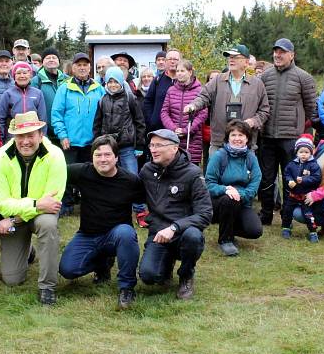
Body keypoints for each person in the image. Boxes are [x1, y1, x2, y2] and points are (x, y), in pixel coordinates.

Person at [0, 111, 67, 305]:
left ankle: (47, 286)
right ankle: (29, 250)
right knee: (12, 279)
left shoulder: (56, 155)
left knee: (48, 224)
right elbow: (1, 203)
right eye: (21, 136)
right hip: (19, 213)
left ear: (41, 135)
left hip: (37, 215)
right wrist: (34, 204)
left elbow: (52, 202)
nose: (26, 141)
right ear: (14, 136)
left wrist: (17, 217)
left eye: (31, 135)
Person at [59, 135, 145, 309]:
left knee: (126, 233)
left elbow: (148, 200)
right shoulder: (81, 172)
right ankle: (102, 264)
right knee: (67, 270)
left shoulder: (130, 181)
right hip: (88, 234)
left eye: (107, 155)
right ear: (92, 157)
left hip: (116, 236)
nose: (103, 159)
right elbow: (54, 171)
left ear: (116, 157)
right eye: (98, 155)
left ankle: (126, 288)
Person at [138, 129, 213, 300]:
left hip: (183, 233)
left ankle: (186, 275)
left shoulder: (193, 173)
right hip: (158, 234)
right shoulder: (147, 171)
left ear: (174, 148)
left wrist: (174, 227)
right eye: (151, 145)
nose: (153, 149)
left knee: (193, 236)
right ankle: (167, 263)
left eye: (159, 145)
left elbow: (205, 213)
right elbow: (131, 192)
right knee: (148, 277)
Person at [257, 38, 317, 225]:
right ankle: (266, 213)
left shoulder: (304, 77)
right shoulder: (265, 76)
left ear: (292, 55)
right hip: (267, 136)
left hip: (291, 138)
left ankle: (287, 215)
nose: (278, 55)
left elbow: (311, 108)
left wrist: (304, 132)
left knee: (289, 177)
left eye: (282, 52)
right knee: (267, 177)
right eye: (276, 51)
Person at [183, 44, 269, 157]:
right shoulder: (218, 80)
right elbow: (203, 97)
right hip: (219, 143)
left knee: (242, 175)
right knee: (215, 174)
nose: (231, 60)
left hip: (245, 143)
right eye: (229, 57)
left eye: (235, 57)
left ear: (246, 62)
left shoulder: (257, 84)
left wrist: (253, 121)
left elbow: (264, 111)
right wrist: (194, 105)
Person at [51, 53, 105, 216]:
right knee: (65, 174)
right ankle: (66, 204)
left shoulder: (98, 88)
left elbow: (105, 113)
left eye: (85, 65)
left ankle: (90, 204)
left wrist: (101, 138)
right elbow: (56, 114)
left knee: (92, 175)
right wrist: (62, 135)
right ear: (73, 68)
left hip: (92, 142)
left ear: (90, 68)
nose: (82, 67)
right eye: (78, 65)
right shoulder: (64, 89)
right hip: (70, 141)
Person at [92, 67, 148, 225]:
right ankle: (110, 208)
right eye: (110, 81)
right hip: (108, 147)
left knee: (133, 177)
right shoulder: (102, 100)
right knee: (107, 177)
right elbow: (97, 124)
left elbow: (139, 123)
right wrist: (97, 144)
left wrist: (140, 145)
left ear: (121, 82)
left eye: (115, 81)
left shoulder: (130, 98)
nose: (113, 85)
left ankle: (139, 210)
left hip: (127, 146)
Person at [205, 120, 262, 256]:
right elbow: (209, 183)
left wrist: (239, 193)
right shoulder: (219, 156)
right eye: (233, 135)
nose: (237, 139)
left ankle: (229, 227)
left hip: (242, 202)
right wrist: (226, 190)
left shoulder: (251, 158)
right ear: (228, 137)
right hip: (219, 202)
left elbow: (254, 184)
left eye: (241, 135)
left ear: (247, 138)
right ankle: (225, 240)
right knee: (229, 199)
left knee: (255, 231)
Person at [161, 59, 207, 166]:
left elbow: (203, 114)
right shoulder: (171, 90)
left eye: (182, 71)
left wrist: (187, 130)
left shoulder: (200, 90)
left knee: (190, 172)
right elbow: (164, 112)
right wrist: (173, 129)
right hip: (173, 138)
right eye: (177, 71)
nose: (179, 74)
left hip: (192, 140)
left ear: (190, 72)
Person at [280, 134, 322, 242]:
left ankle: (313, 232)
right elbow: (286, 173)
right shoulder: (291, 164)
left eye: (306, 152)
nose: (303, 155)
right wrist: (289, 180)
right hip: (293, 194)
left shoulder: (313, 165)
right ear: (297, 152)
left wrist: (304, 180)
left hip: (306, 196)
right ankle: (286, 227)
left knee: (308, 214)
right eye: (301, 152)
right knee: (287, 211)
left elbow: (317, 178)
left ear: (311, 152)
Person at [0, 61, 46, 143]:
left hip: (32, 135)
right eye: (18, 73)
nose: (22, 76)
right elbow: (1, 119)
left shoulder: (38, 93)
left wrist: (43, 136)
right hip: (13, 136)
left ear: (30, 75)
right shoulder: (8, 94)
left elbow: (42, 118)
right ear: (14, 76)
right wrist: (1, 138)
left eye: (25, 73)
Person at [31, 47, 68, 143]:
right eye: (48, 58)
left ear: (58, 61)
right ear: (42, 62)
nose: (51, 60)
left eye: (54, 57)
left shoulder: (67, 80)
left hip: (66, 131)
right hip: (45, 132)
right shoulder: (36, 81)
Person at [144, 48, 180, 133]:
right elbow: (148, 101)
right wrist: (152, 119)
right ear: (166, 62)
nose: (172, 61)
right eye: (169, 59)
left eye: (175, 59)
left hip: (179, 129)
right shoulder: (157, 80)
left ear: (180, 61)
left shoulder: (185, 81)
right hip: (158, 128)